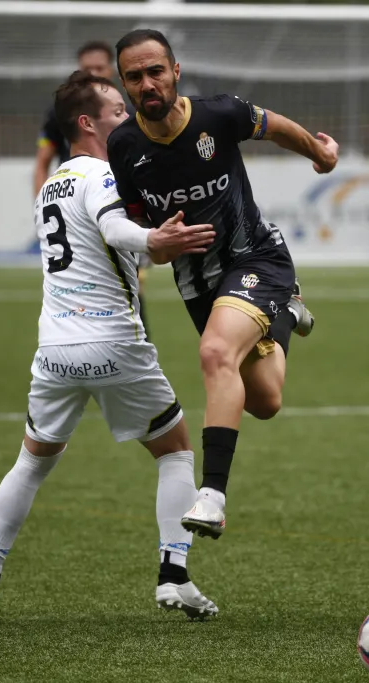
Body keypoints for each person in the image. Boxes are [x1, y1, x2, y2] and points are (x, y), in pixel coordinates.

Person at [0, 71, 219, 622]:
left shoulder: (50, 184)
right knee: (174, 451)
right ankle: (174, 575)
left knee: (30, 462)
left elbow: (107, 244)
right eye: (117, 111)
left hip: (53, 351)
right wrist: (154, 240)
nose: (127, 117)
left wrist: (152, 245)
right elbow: (116, 230)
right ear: (87, 123)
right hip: (114, 342)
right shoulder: (100, 173)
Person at [106, 29, 336, 541]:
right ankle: (285, 314)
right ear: (124, 83)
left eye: (155, 72)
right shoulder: (123, 147)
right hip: (197, 281)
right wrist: (153, 244)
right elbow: (141, 225)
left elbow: (275, 128)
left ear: (175, 72)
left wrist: (320, 156)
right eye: (134, 77)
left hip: (256, 256)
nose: (147, 84)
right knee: (264, 401)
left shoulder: (219, 114)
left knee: (214, 353)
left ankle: (211, 495)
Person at [34, 40, 155, 338]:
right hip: (77, 204)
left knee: (125, 289)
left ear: (111, 71)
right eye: (85, 69)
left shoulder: (126, 113)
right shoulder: (58, 114)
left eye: (98, 68)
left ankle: (125, 350)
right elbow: (41, 162)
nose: (91, 73)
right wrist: (42, 207)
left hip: (116, 205)